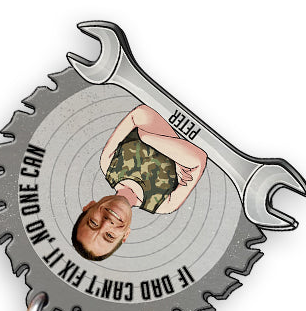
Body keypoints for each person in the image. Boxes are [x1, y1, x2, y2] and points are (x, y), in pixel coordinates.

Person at [71, 104, 208, 261]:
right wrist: (144, 135)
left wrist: (155, 142)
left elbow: (142, 113)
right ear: (125, 235)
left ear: (89, 206)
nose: (106, 223)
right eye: (109, 236)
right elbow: (199, 160)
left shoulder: (108, 162)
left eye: (93, 223)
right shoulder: (165, 204)